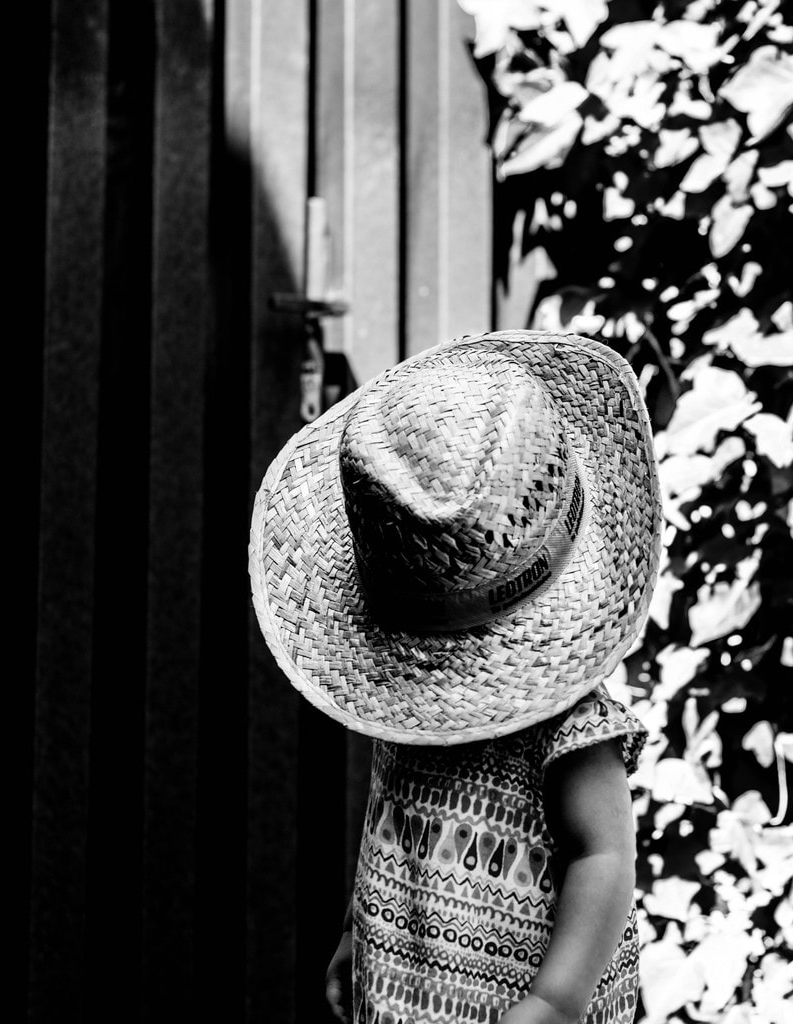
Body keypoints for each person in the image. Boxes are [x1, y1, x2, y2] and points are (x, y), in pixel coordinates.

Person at [249, 330, 662, 1024]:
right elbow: (395, 821)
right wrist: (361, 928)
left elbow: (606, 858)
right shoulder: (411, 704)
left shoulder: (570, 724)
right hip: (406, 996)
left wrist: (556, 1000)